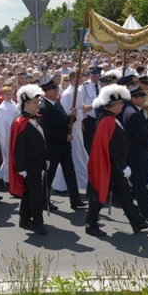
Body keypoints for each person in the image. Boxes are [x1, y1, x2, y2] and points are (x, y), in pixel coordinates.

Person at [85, 84, 148, 236]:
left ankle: (137, 222)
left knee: (125, 196)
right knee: (99, 197)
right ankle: (91, 225)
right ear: (113, 105)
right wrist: (123, 166)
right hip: (110, 167)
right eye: (120, 103)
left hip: (116, 168)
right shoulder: (106, 121)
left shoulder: (110, 118)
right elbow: (111, 147)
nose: (123, 105)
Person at [39, 79, 86, 210]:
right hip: (53, 148)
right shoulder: (43, 108)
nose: (57, 91)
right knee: (49, 175)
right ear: (47, 92)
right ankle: (44, 200)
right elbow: (48, 131)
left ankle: (75, 200)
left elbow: (63, 122)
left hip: (64, 147)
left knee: (70, 173)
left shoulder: (56, 104)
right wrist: (65, 137)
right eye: (54, 89)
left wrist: (73, 116)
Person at [9, 84, 48, 235]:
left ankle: (24, 218)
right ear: (26, 104)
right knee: (36, 195)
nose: (38, 105)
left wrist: (47, 157)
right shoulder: (20, 122)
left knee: (29, 193)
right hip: (28, 166)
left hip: (38, 163)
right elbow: (18, 148)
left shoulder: (38, 119)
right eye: (35, 103)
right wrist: (21, 167)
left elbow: (44, 140)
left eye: (38, 102)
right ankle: (38, 223)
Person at [121, 86, 148, 220]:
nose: (143, 99)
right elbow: (141, 134)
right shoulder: (133, 113)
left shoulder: (135, 110)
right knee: (140, 183)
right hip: (137, 153)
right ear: (133, 99)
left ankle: (136, 201)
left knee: (145, 177)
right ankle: (145, 211)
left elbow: (143, 126)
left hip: (140, 152)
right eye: (141, 97)